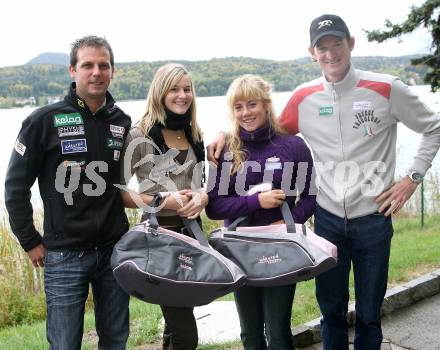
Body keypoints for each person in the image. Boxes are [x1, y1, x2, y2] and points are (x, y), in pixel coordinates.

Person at [208, 15, 440, 350]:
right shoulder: (304, 97)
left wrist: (412, 178)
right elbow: (267, 132)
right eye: (322, 47)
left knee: (370, 313)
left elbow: (433, 127)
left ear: (351, 44)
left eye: (337, 44)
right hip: (328, 221)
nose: (330, 53)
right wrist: (225, 136)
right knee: (330, 312)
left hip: (374, 218)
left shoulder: (387, 88)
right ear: (312, 53)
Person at [5, 36, 131, 349]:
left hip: (115, 250)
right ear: (73, 71)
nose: (96, 72)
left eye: (103, 65)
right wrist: (30, 240)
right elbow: (15, 187)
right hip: (64, 255)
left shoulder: (121, 121)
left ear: (112, 72)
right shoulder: (42, 121)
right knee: (64, 343)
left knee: (116, 339)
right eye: (87, 65)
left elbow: (122, 183)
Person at [205, 75, 316, 350]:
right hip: (240, 251)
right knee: (250, 334)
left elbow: (311, 196)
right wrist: (255, 202)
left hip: (280, 249)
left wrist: (287, 221)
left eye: (251, 104)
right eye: (238, 107)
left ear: (266, 105)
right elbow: (214, 206)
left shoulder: (293, 146)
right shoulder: (226, 150)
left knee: (278, 333)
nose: (245, 113)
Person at [120, 63, 208, 350]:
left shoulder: (194, 133)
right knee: (186, 337)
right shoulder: (139, 135)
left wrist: (201, 197)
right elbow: (116, 192)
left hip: (193, 238)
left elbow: (200, 185)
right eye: (174, 88)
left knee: (176, 325)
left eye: (187, 89)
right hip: (160, 241)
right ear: (160, 91)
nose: (182, 95)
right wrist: (160, 201)